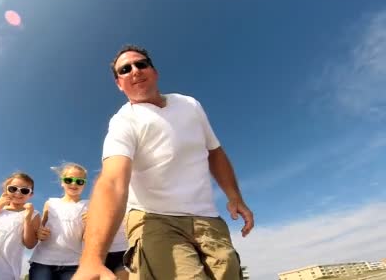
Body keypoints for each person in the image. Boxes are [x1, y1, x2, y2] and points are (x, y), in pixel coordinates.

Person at [73, 45, 255, 280]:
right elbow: (112, 180)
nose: (135, 70)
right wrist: (91, 260)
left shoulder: (189, 104)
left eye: (141, 64)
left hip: (208, 219)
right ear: (119, 84)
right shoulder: (123, 121)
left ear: (154, 71)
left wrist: (235, 196)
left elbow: (214, 152)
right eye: (125, 69)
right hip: (154, 219)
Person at [29, 162, 89, 280]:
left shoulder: (89, 205)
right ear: (62, 182)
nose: (73, 183)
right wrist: (39, 233)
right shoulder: (50, 203)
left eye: (79, 181)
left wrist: (92, 224)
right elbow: (40, 229)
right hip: (43, 261)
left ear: (84, 185)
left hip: (74, 263)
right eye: (68, 180)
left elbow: (88, 237)